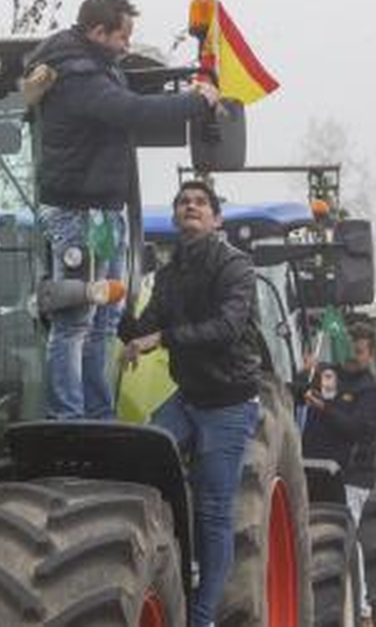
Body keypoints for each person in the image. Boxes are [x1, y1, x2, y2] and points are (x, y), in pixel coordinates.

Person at [24, 0, 219, 419]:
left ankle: (97, 413)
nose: (126, 46)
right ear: (98, 31)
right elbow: (133, 113)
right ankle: (69, 417)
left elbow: (133, 105)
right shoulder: (78, 77)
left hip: (103, 214)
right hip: (79, 214)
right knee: (75, 319)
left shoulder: (97, 69)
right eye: (123, 37)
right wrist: (195, 102)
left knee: (104, 322)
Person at [120, 180, 260, 627]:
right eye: (183, 202)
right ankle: (163, 561)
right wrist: (119, 309)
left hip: (229, 403)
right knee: (141, 456)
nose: (190, 207)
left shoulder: (236, 267)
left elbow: (227, 328)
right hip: (189, 397)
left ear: (216, 219)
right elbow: (144, 325)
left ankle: (201, 618)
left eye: (201, 202)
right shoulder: (168, 273)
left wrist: (162, 337)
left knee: (214, 512)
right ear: (176, 217)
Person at [300, 321, 376, 624]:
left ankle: (360, 608)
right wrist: (305, 372)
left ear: (370, 354)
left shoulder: (372, 391)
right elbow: (302, 389)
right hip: (313, 468)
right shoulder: (326, 374)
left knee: (345, 531)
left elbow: (358, 429)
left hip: (351, 474)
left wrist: (323, 408)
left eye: (360, 351)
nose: (353, 356)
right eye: (350, 349)